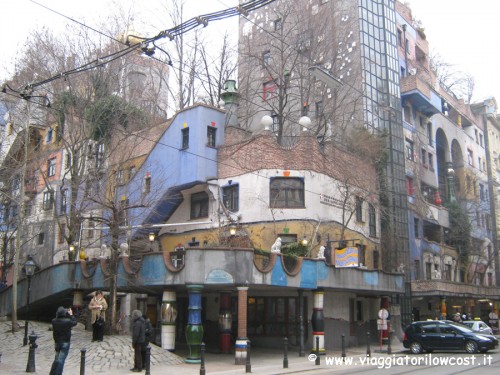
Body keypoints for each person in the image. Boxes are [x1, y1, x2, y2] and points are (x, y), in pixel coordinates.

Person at [49, 306, 78, 375]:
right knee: (61, 360)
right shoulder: (67, 322)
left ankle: (52, 373)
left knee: (56, 359)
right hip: (65, 342)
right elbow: (75, 322)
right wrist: (71, 314)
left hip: (57, 342)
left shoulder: (53, 321)